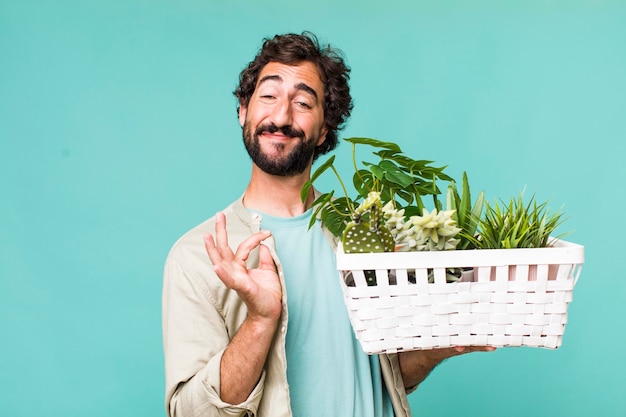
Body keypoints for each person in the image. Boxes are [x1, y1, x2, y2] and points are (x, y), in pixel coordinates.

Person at [162, 32, 493, 417]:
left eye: (303, 102)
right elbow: (191, 412)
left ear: (324, 130)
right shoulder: (198, 258)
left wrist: (439, 345)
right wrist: (259, 320)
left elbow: (382, 373)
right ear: (243, 111)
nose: (282, 116)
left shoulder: (366, 232)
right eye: (268, 96)